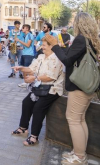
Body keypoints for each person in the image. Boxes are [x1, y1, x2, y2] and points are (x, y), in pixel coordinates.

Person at [46, 12, 100, 165]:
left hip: (79, 87)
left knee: (74, 120)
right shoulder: (91, 40)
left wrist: (55, 46)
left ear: (78, 24)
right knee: (80, 119)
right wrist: (61, 47)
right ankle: (79, 153)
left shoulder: (81, 39)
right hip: (88, 86)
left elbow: (67, 61)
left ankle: (79, 157)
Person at [11, 37, 64, 146]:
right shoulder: (41, 57)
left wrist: (34, 78)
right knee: (26, 102)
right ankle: (23, 128)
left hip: (52, 89)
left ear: (51, 46)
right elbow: (31, 69)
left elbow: (51, 77)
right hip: (40, 87)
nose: (41, 47)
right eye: (42, 45)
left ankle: (34, 136)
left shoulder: (57, 58)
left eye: (44, 45)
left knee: (38, 108)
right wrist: (20, 68)